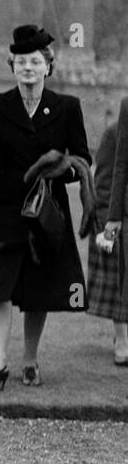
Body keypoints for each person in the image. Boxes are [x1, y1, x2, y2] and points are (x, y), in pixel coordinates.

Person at [0, 25, 90, 389]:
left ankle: (30, 359)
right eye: (21, 62)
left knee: (40, 284)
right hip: (5, 203)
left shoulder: (68, 107)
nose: (28, 68)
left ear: (48, 67)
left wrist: (60, 172)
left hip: (47, 207)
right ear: (12, 66)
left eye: (35, 62)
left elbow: (81, 158)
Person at [91, 106, 128, 365]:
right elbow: (104, 182)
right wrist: (107, 225)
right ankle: (123, 341)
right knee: (119, 284)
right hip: (122, 220)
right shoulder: (115, 133)